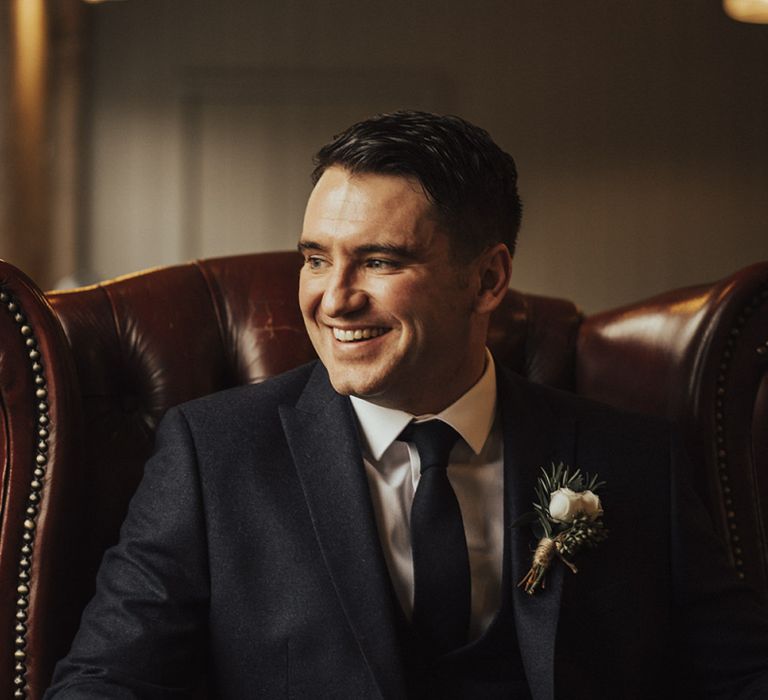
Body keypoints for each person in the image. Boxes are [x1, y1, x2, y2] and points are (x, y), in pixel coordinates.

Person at [46, 111, 768, 699]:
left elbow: (740, 675)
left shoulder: (634, 459)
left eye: (380, 261)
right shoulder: (213, 456)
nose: (333, 299)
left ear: (488, 280)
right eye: (316, 257)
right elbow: (105, 682)